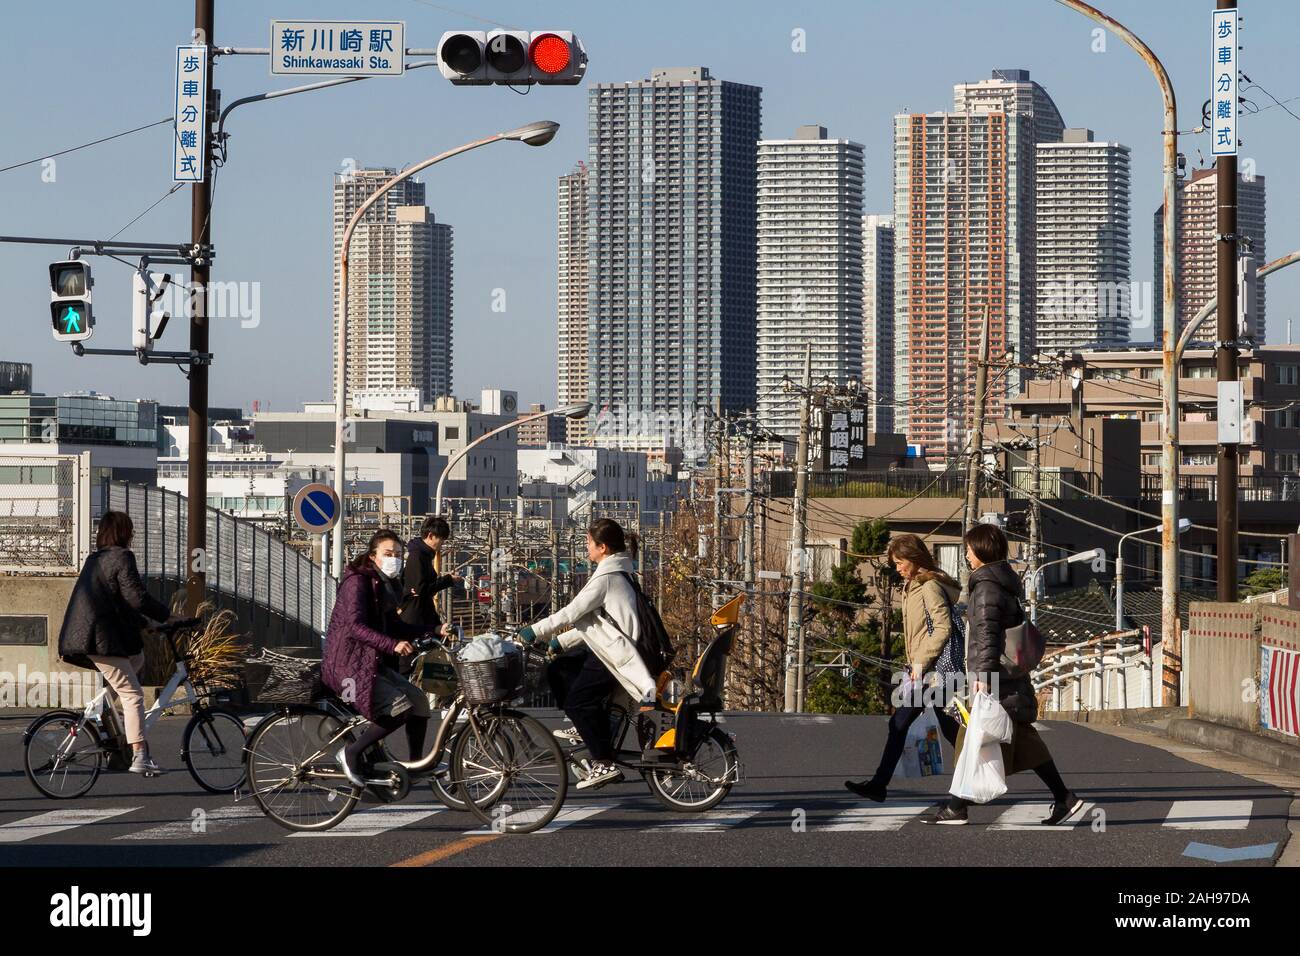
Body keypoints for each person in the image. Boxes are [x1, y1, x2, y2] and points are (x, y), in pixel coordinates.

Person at [924, 523, 1084, 826]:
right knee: (1020, 739)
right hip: (1005, 678)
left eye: (969, 550)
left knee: (971, 735)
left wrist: (982, 675)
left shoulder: (985, 586)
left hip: (994, 678)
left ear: (981, 550)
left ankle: (956, 806)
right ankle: (1064, 798)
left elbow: (986, 633)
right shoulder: (1001, 581)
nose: (967, 556)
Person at [518, 518, 658, 790]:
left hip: (615, 655)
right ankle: (585, 727)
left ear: (602, 547)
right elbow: (598, 623)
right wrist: (561, 642)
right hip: (612, 647)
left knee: (577, 702)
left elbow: (572, 612)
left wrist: (533, 631)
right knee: (559, 669)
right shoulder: (620, 572)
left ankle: (603, 762)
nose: (586, 549)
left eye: (588, 544)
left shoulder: (605, 577)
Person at [322, 529, 447, 784]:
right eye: (388, 554)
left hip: (369, 662)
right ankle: (351, 752)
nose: (395, 559)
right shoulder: (357, 582)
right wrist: (393, 645)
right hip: (348, 663)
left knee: (420, 702)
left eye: (398, 554)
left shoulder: (386, 584)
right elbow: (355, 626)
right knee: (399, 708)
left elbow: (395, 625)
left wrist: (434, 629)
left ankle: (415, 765)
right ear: (373, 556)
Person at [845, 534, 962, 802]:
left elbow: (942, 627)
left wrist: (920, 664)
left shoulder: (928, 586)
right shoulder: (914, 585)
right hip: (926, 670)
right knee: (945, 728)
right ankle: (977, 772)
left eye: (900, 562)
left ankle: (879, 784)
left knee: (900, 723)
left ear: (914, 558)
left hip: (932, 671)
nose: (897, 568)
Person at [58, 510, 173, 775]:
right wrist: (167, 615)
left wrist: (146, 624)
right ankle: (139, 756)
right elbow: (137, 599)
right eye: (130, 530)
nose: (132, 535)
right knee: (133, 696)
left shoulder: (95, 558)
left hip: (82, 637)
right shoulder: (122, 557)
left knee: (137, 659)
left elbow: (119, 603)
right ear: (123, 533)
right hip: (100, 640)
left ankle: (110, 731)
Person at [400, 515, 463, 630]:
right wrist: (448, 580)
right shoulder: (417, 556)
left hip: (422, 614)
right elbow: (421, 590)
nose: (442, 544)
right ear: (430, 536)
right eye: (441, 539)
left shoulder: (423, 555)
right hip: (415, 619)